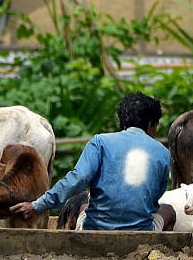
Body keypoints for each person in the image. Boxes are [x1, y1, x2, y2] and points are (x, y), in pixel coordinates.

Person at [10, 93, 173, 231]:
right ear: (151, 124)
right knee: (168, 211)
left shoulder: (100, 142)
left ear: (123, 120)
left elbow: (77, 179)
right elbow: (156, 195)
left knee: (85, 206)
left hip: (96, 229)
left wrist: (38, 205)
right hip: (140, 232)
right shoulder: (163, 152)